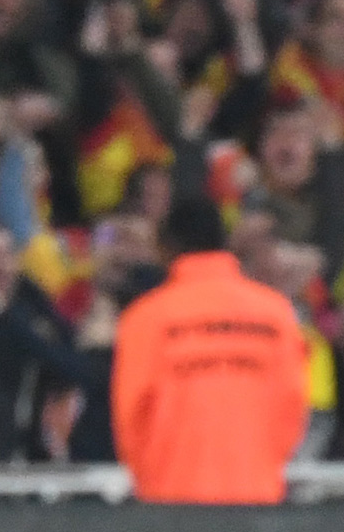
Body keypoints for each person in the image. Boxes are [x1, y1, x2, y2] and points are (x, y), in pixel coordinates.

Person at [111, 197, 308, 503]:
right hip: (257, 494)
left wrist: (152, 475)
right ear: (223, 242)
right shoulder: (276, 313)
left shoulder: (144, 319)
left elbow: (131, 417)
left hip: (169, 499)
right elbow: (292, 405)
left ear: (166, 247)